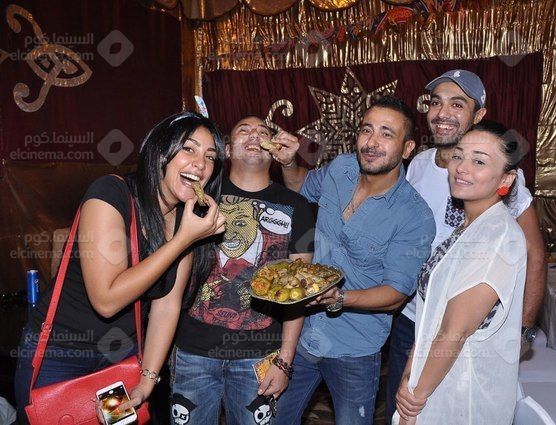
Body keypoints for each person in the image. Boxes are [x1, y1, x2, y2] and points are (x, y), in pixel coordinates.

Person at [14, 112, 227, 424]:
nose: (200, 164)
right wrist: (183, 240)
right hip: (60, 356)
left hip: (118, 359)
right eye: (189, 149)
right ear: (160, 153)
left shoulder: (187, 220)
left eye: (210, 156)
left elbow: (167, 305)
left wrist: (147, 381)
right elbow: (107, 299)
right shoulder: (110, 194)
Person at [386, 69, 547, 424]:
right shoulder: (426, 175)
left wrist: (415, 396)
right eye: (436, 102)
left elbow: (454, 332)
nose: (462, 168)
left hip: (462, 364)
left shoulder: (497, 232)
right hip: (417, 325)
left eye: (457, 104)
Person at [271, 95, 435, 425]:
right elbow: (302, 186)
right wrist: (289, 163)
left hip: (355, 349)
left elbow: (396, 294)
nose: (371, 142)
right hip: (302, 332)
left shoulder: (415, 216)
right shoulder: (342, 168)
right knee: (275, 418)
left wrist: (339, 298)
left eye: (386, 134)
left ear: (407, 148)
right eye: (366, 130)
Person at [171, 116, 315, 425]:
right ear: (225, 149)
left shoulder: (298, 207)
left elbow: (299, 292)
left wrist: (285, 361)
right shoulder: (196, 196)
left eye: (263, 131)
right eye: (244, 130)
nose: (254, 135)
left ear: (273, 147)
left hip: (259, 356)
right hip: (194, 350)